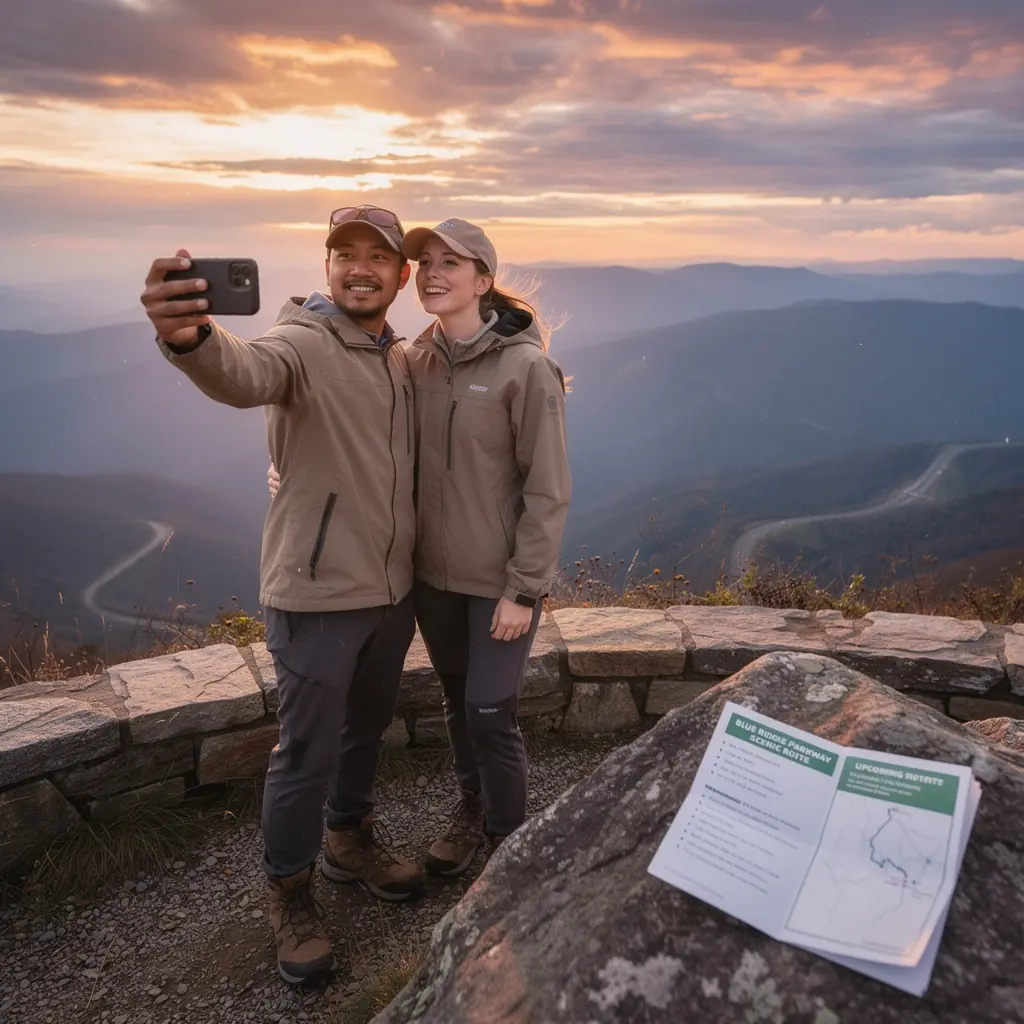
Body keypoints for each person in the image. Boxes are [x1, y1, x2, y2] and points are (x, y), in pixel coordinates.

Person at [140, 206, 424, 988]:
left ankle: (349, 840)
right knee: (306, 751)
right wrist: (188, 338)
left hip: (390, 591)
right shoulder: (304, 341)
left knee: (365, 728)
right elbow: (244, 371)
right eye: (346, 255)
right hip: (317, 594)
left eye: (378, 256)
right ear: (327, 268)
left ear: (402, 276)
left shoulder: (397, 357)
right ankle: (290, 892)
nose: (360, 267)